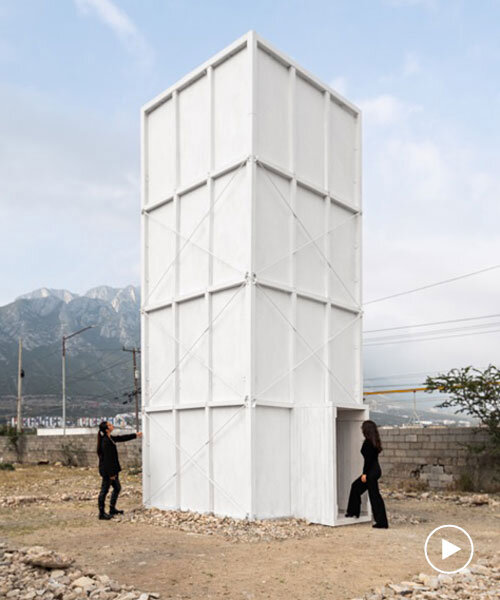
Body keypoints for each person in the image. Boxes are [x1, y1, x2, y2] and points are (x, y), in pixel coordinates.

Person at [345, 420, 389, 529]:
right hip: (374, 470)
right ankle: (353, 512)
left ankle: (382, 522)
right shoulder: (373, 441)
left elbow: (368, 460)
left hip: (371, 472)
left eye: (363, 428)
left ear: (366, 430)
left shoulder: (368, 443)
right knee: (356, 487)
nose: (361, 430)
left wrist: (364, 474)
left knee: (374, 496)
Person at [96, 420, 142, 520]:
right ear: (107, 429)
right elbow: (107, 460)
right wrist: (111, 474)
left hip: (112, 470)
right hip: (108, 471)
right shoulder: (105, 442)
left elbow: (121, 438)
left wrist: (135, 435)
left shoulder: (110, 438)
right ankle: (101, 513)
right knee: (104, 490)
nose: (112, 425)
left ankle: (112, 509)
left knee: (117, 488)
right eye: (110, 425)